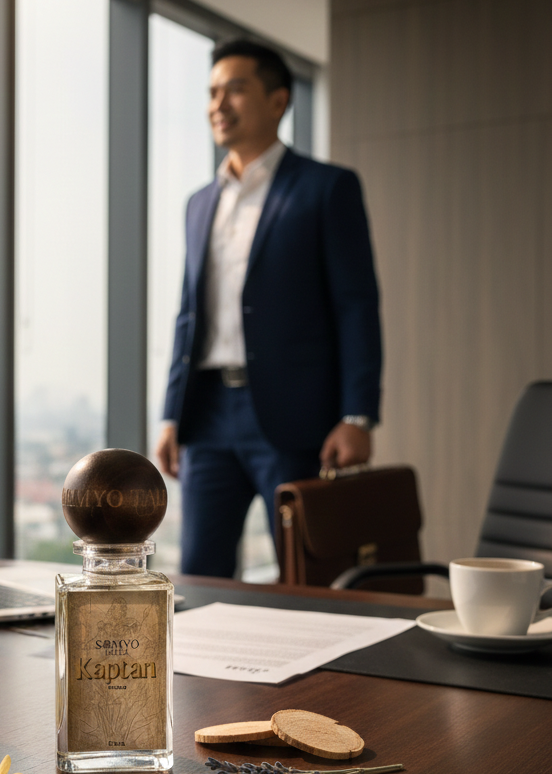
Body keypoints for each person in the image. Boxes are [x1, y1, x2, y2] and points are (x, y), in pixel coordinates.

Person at [155, 38, 382, 579]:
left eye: (235, 88)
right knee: (200, 576)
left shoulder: (326, 188)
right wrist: (171, 414)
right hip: (207, 417)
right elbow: (190, 313)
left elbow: (357, 305)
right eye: (212, 91)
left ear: (278, 101)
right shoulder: (199, 202)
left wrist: (357, 415)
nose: (218, 103)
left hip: (294, 415)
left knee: (309, 578)